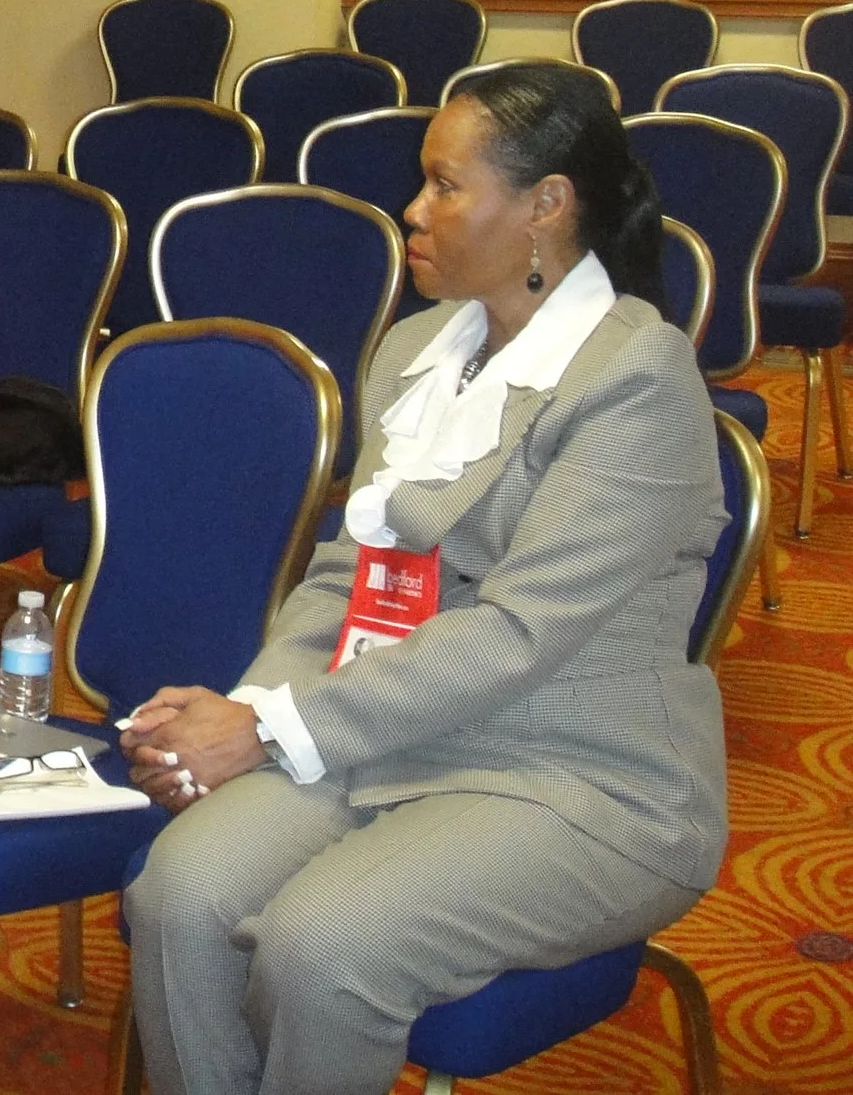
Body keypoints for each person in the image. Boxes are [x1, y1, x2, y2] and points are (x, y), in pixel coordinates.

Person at [120, 61, 728, 1095]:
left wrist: (266, 735)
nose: (413, 207)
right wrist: (253, 703)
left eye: (445, 184)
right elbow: (346, 570)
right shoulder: (413, 348)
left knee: (323, 946)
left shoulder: (634, 376)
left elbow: (515, 634)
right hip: (387, 726)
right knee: (179, 889)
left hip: (577, 773)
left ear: (545, 207)